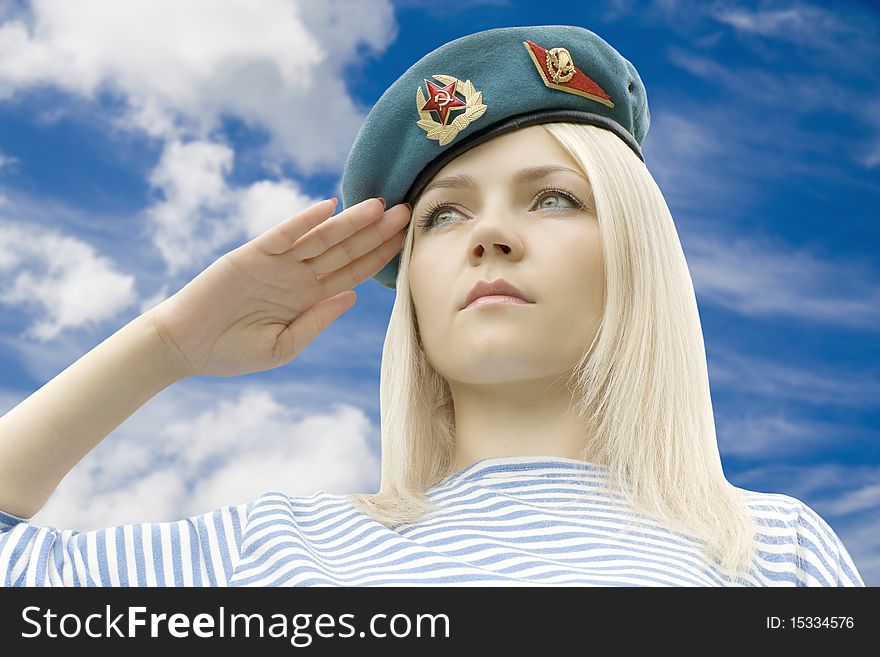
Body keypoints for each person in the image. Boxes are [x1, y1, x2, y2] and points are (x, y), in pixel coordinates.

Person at [0, 26, 864, 587]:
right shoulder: (275, 555)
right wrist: (167, 345)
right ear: (410, 284)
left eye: (553, 198)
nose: (489, 234)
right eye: (446, 213)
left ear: (637, 250)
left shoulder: (770, 552)